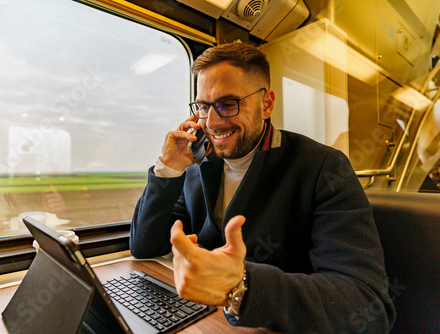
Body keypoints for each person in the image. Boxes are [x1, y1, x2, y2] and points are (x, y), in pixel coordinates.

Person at [130, 42, 396, 333]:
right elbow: (145, 245)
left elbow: (368, 304)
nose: (213, 122)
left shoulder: (323, 167)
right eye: (203, 107)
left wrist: (239, 285)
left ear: (266, 104)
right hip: (209, 320)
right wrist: (168, 167)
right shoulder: (197, 166)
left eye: (228, 104)